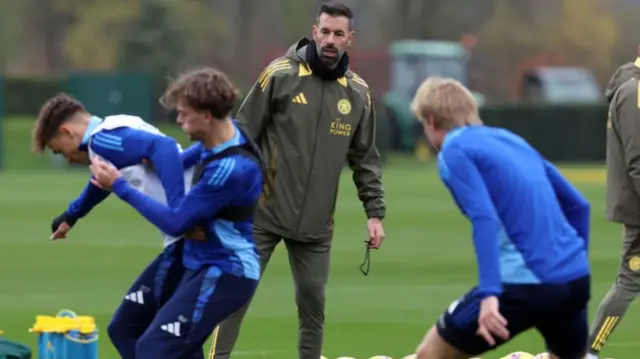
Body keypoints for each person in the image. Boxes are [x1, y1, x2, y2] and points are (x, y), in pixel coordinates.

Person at [209, 2, 386, 359]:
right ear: (314, 30)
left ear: (349, 38)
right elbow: (242, 135)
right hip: (262, 214)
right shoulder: (281, 74)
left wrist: (375, 212)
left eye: (339, 34)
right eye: (325, 31)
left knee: (313, 307)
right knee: (234, 297)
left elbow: (364, 157)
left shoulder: (358, 92)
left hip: (317, 226)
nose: (330, 40)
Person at [410, 77, 591, 359]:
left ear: (431, 120)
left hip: (522, 285)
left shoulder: (454, 150)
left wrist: (490, 294)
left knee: (430, 355)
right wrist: (575, 265)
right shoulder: (510, 139)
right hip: (573, 279)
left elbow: (484, 218)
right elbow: (579, 206)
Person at [89, 67, 263, 359]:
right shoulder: (220, 140)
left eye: (184, 114)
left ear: (206, 116)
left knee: (154, 349)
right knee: (147, 339)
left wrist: (119, 185)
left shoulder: (230, 169)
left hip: (227, 271)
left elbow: (176, 221)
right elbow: (181, 161)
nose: (179, 120)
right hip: (202, 264)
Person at [31, 93, 195, 359]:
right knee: (173, 337)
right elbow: (102, 182)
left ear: (67, 131)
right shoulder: (114, 127)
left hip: (185, 243)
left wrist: (179, 210)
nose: (68, 159)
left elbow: (163, 146)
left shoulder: (103, 141)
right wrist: (71, 215)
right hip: (186, 241)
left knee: (128, 329)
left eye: (61, 151)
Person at [586, 52, 640, 359]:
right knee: (630, 281)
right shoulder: (635, 93)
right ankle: (589, 351)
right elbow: (638, 162)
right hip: (639, 211)